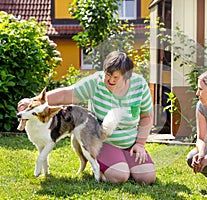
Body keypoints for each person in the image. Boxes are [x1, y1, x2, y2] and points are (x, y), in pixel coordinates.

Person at [18, 51, 156, 185]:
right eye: (108, 75)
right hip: (102, 140)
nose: (110, 80)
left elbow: (146, 116)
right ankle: (103, 164)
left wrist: (140, 144)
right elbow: (66, 94)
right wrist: (32, 101)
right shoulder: (95, 83)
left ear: (126, 77)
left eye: (116, 77)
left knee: (147, 178)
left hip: (130, 143)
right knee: (119, 177)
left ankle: (123, 162)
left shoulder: (139, 86)